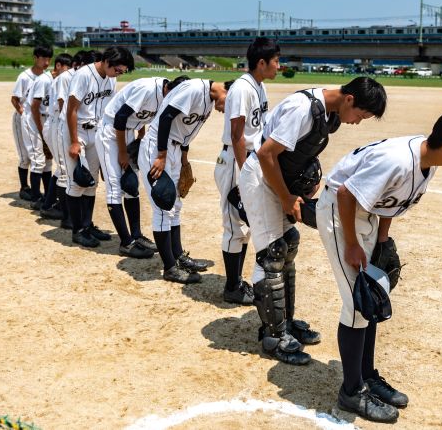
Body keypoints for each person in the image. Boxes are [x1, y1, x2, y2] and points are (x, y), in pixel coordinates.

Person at [316, 108, 442, 423]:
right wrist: (353, 245)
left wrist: (382, 240)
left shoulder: (428, 163)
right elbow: (345, 193)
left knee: (373, 295)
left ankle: (366, 375)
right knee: (357, 303)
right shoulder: (397, 160)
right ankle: (351, 392)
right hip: (340, 214)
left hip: (363, 214)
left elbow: (389, 200)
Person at [238, 76, 387, 365]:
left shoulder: (328, 112)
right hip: (261, 178)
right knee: (271, 253)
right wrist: (285, 197)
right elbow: (267, 154)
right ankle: (274, 336)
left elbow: (297, 152)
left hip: (277, 177)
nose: (357, 122)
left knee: (288, 245)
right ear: (350, 100)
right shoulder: (303, 109)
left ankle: (286, 322)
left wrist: (307, 178)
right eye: (361, 115)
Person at [139, 78, 229, 283]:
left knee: (175, 205)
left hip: (175, 149)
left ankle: (178, 257)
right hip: (157, 148)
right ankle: (170, 267)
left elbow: (185, 133)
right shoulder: (195, 89)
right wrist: (161, 155)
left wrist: (184, 160)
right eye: (228, 105)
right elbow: (166, 117)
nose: (225, 112)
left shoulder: (207, 100)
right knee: (163, 206)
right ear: (226, 91)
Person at [214, 37, 279, 305]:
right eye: (275, 60)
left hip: (248, 160)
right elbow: (237, 134)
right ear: (261, 62)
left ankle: (237, 282)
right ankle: (232, 287)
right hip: (235, 160)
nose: (278, 65)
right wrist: (243, 175)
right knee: (235, 225)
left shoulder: (258, 86)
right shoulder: (242, 88)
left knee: (245, 226)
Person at [95, 75, 188, 259]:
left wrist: (140, 138)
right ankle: (126, 242)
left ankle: (136, 236)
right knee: (115, 188)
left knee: (131, 187)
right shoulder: (147, 89)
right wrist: (123, 153)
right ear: (169, 89)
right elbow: (120, 118)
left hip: (127, 133)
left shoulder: (166, 95)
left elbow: (145, 120)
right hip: (110, 132)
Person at [63, 47, 134, 248]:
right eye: (118, 70)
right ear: (107, 61)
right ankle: (78, 230)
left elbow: (109, 110)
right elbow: (71, 110)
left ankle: (87, 225)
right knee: (78, 181)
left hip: (97, 131)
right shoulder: (83, 75)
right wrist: (75, 141)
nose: (119, 74)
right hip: (76, 130)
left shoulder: (111, 79)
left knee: (92, 182)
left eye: (122, 72)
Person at [51, 50, 94, 229]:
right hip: (61, 123)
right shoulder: (68, 77)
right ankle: (65, 215)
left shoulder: (87, 78)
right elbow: (64, 106)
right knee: (65, 172)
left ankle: (81, 219)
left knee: (84, 177)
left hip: (77, 126)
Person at [10, 47, 52, 200]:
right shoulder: (25, 77)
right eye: (43, 59)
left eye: (49, 59)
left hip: (39, 118)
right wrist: (24, 115)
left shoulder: (48, 77)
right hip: (23, 118)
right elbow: (14, 99)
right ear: (35, 58)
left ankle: (44, 192)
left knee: (43, 155)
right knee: (25, 156)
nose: (46, 62)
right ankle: (24, 187)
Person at [35, 52, 72, 219]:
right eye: (68, 67)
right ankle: (51, 204)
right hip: (52, 122)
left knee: (60, 166)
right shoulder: (50, 80)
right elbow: (35, 106)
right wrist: (39, 129)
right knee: (62, 167)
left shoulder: (59, 79)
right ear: (59, 66)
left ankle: (48, 202)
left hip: (54, 122)